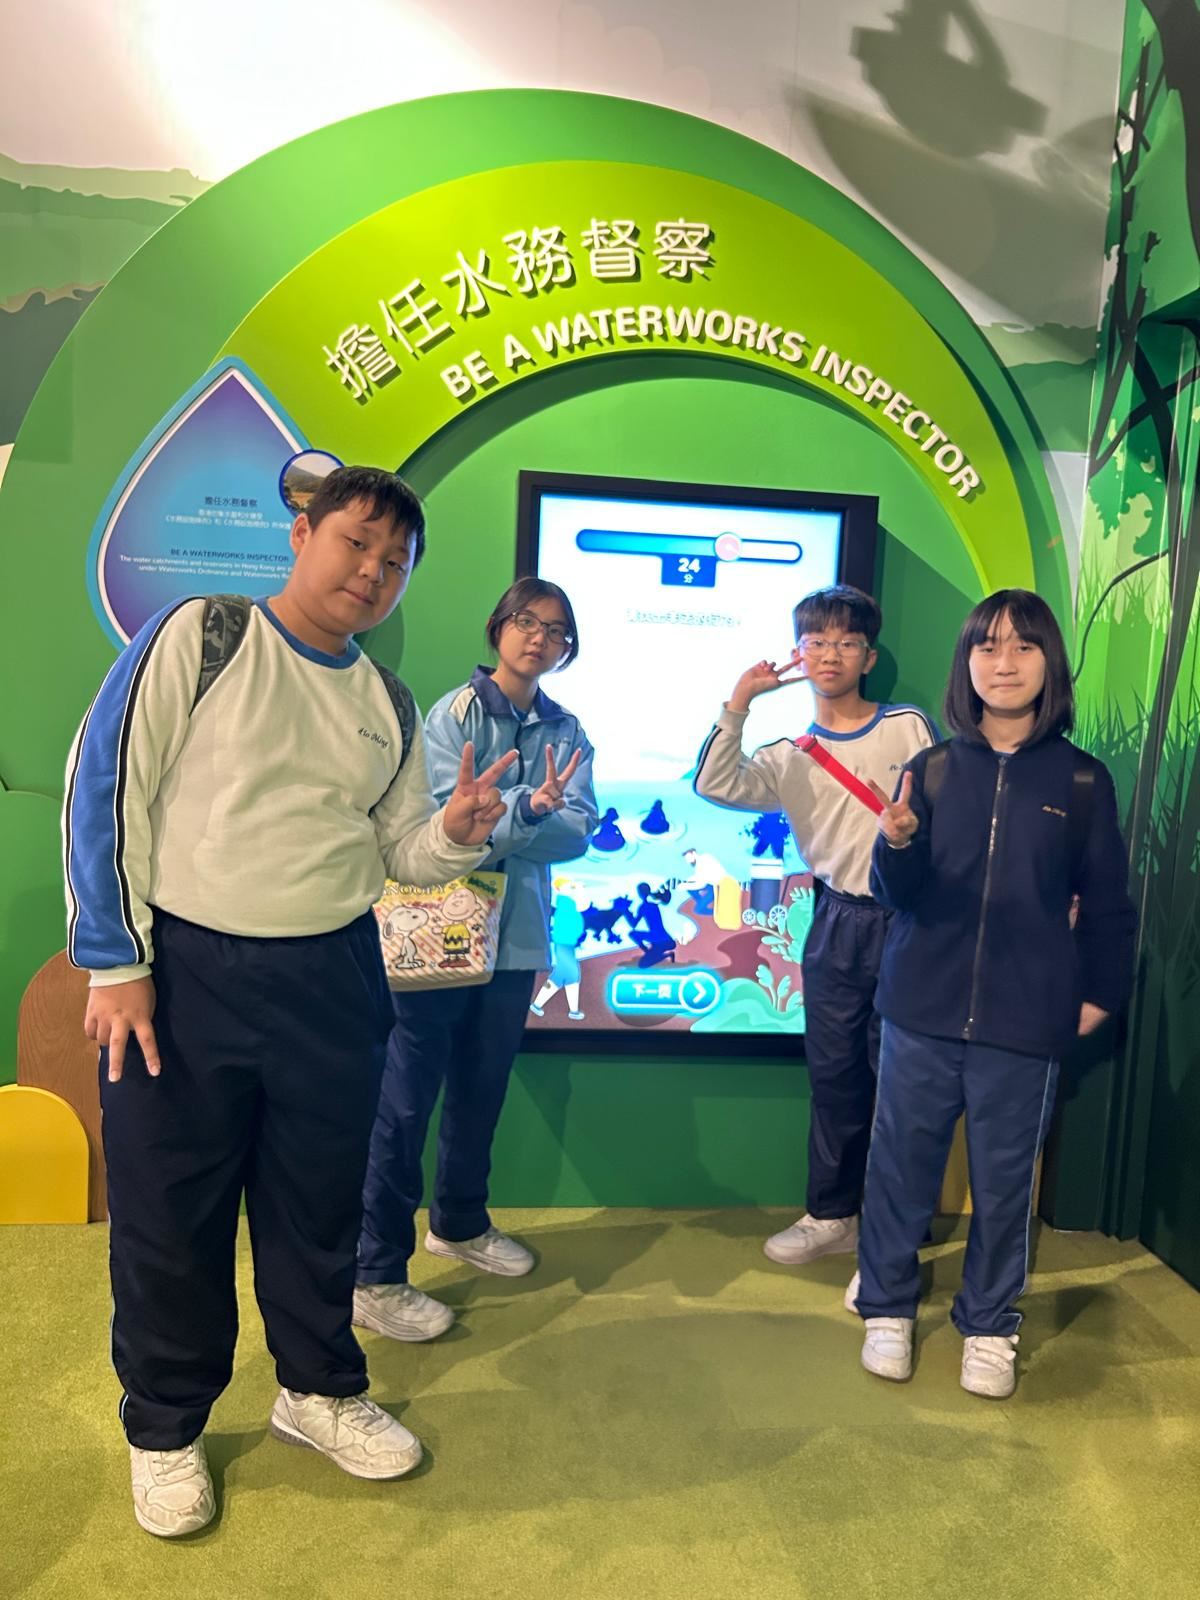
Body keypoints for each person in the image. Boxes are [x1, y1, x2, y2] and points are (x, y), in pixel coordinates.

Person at [62, 466, 515, 1537]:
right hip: (185, 974)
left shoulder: (385, 701)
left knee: (319, 1207)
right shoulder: (204, 636)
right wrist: (116, 961)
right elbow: (106, 786)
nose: (374, 572)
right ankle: (165, 1428)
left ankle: (318, 1391)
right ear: (303, 534)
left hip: (334, 977)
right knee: (171, 1218)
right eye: (357, 543)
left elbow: (398, 850)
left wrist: (455, 831)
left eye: (396, 562)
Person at [858, 589, 1136, 1398]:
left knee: (1007, 1184)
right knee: (899, 1169)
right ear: (966, 662)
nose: (1003, 663)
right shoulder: (933, 768)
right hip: (920, 1007)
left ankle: (988, 1324)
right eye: (987, 646)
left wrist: (1099, 995)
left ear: (1049, 662)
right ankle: (886, 1306)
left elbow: (1109, 904)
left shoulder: (1082, 780)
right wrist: (895, 845)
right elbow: (896, 895)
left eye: (1022, 646)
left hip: (1026, 1016)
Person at [355, 578, 597, 1343]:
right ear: (499, 627)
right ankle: (374, 1271)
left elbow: (579, 831)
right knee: (403, 1104)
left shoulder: (569, 728)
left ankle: (459, 1223)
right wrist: (528, 810)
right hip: (435, 939)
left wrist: (517, 818)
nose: (538, 638)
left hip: (516, 940)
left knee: (481, 1090)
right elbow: (440, 821)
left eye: (555, 631)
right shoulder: (453, 714)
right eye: (527, 621)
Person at [694, 584, 938, 1298]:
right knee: (835, 1076)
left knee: (900, 1082)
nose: (831, 654)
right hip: (834, 921)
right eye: (817, 641)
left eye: (847, 642)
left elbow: (944, 816)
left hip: (907, 921)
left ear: (869, 656)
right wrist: (740, 702)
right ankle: (831, 1215)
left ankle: (892, 1230)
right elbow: (714, 784)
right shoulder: (787, 755)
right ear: (799, 653)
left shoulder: (907, 727)